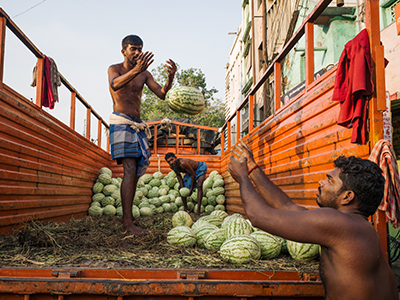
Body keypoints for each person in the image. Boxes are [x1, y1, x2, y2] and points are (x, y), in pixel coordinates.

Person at [228, 140, 399, 300]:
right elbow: (287, 206)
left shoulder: (340, 224)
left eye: (330, 180)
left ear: (347, 197)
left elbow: (259, 216)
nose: (321, 182)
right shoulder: (358, 226)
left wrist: (242, 177)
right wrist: (252, 168)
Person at [108, 35, 177, 234]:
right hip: (122, 122)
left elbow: (161, 94)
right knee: (129, 169)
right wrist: (136, 70)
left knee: (136, 170)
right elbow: (115, 85)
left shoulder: (144, 74)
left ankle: (127, 219)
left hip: (137, 125)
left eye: (140, 49)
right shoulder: (115, 69)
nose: (137, 53)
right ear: (124, 51)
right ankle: (127, 224)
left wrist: (170, 79)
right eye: (133, 49)